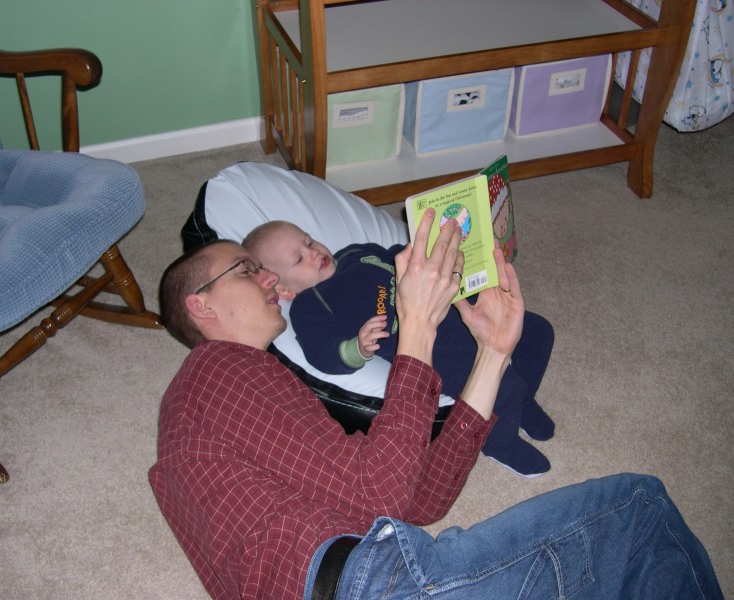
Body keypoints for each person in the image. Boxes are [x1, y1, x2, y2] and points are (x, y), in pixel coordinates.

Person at [150, 210, 722, 600]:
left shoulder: (231, 399)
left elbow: (416, 501)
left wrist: (493, 359)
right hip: (373, 584)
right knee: (639, 509)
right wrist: (416, 325)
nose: (269, 278)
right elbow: (383, 494)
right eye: (248, 270)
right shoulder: (218, 371)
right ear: (201, 306)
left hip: (367, 573)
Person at [242, 219, 555, 476]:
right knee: (504, 384)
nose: (312, 253)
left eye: (309, 242)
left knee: (538, 333)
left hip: (456, 308)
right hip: (436, 347)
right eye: (298, 259)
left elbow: (396, 255)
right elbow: (319, 351)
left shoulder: (355, 253)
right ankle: (499, 442)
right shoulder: (310, 304)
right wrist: (356, 349)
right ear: (283, 288)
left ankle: (524, 399)